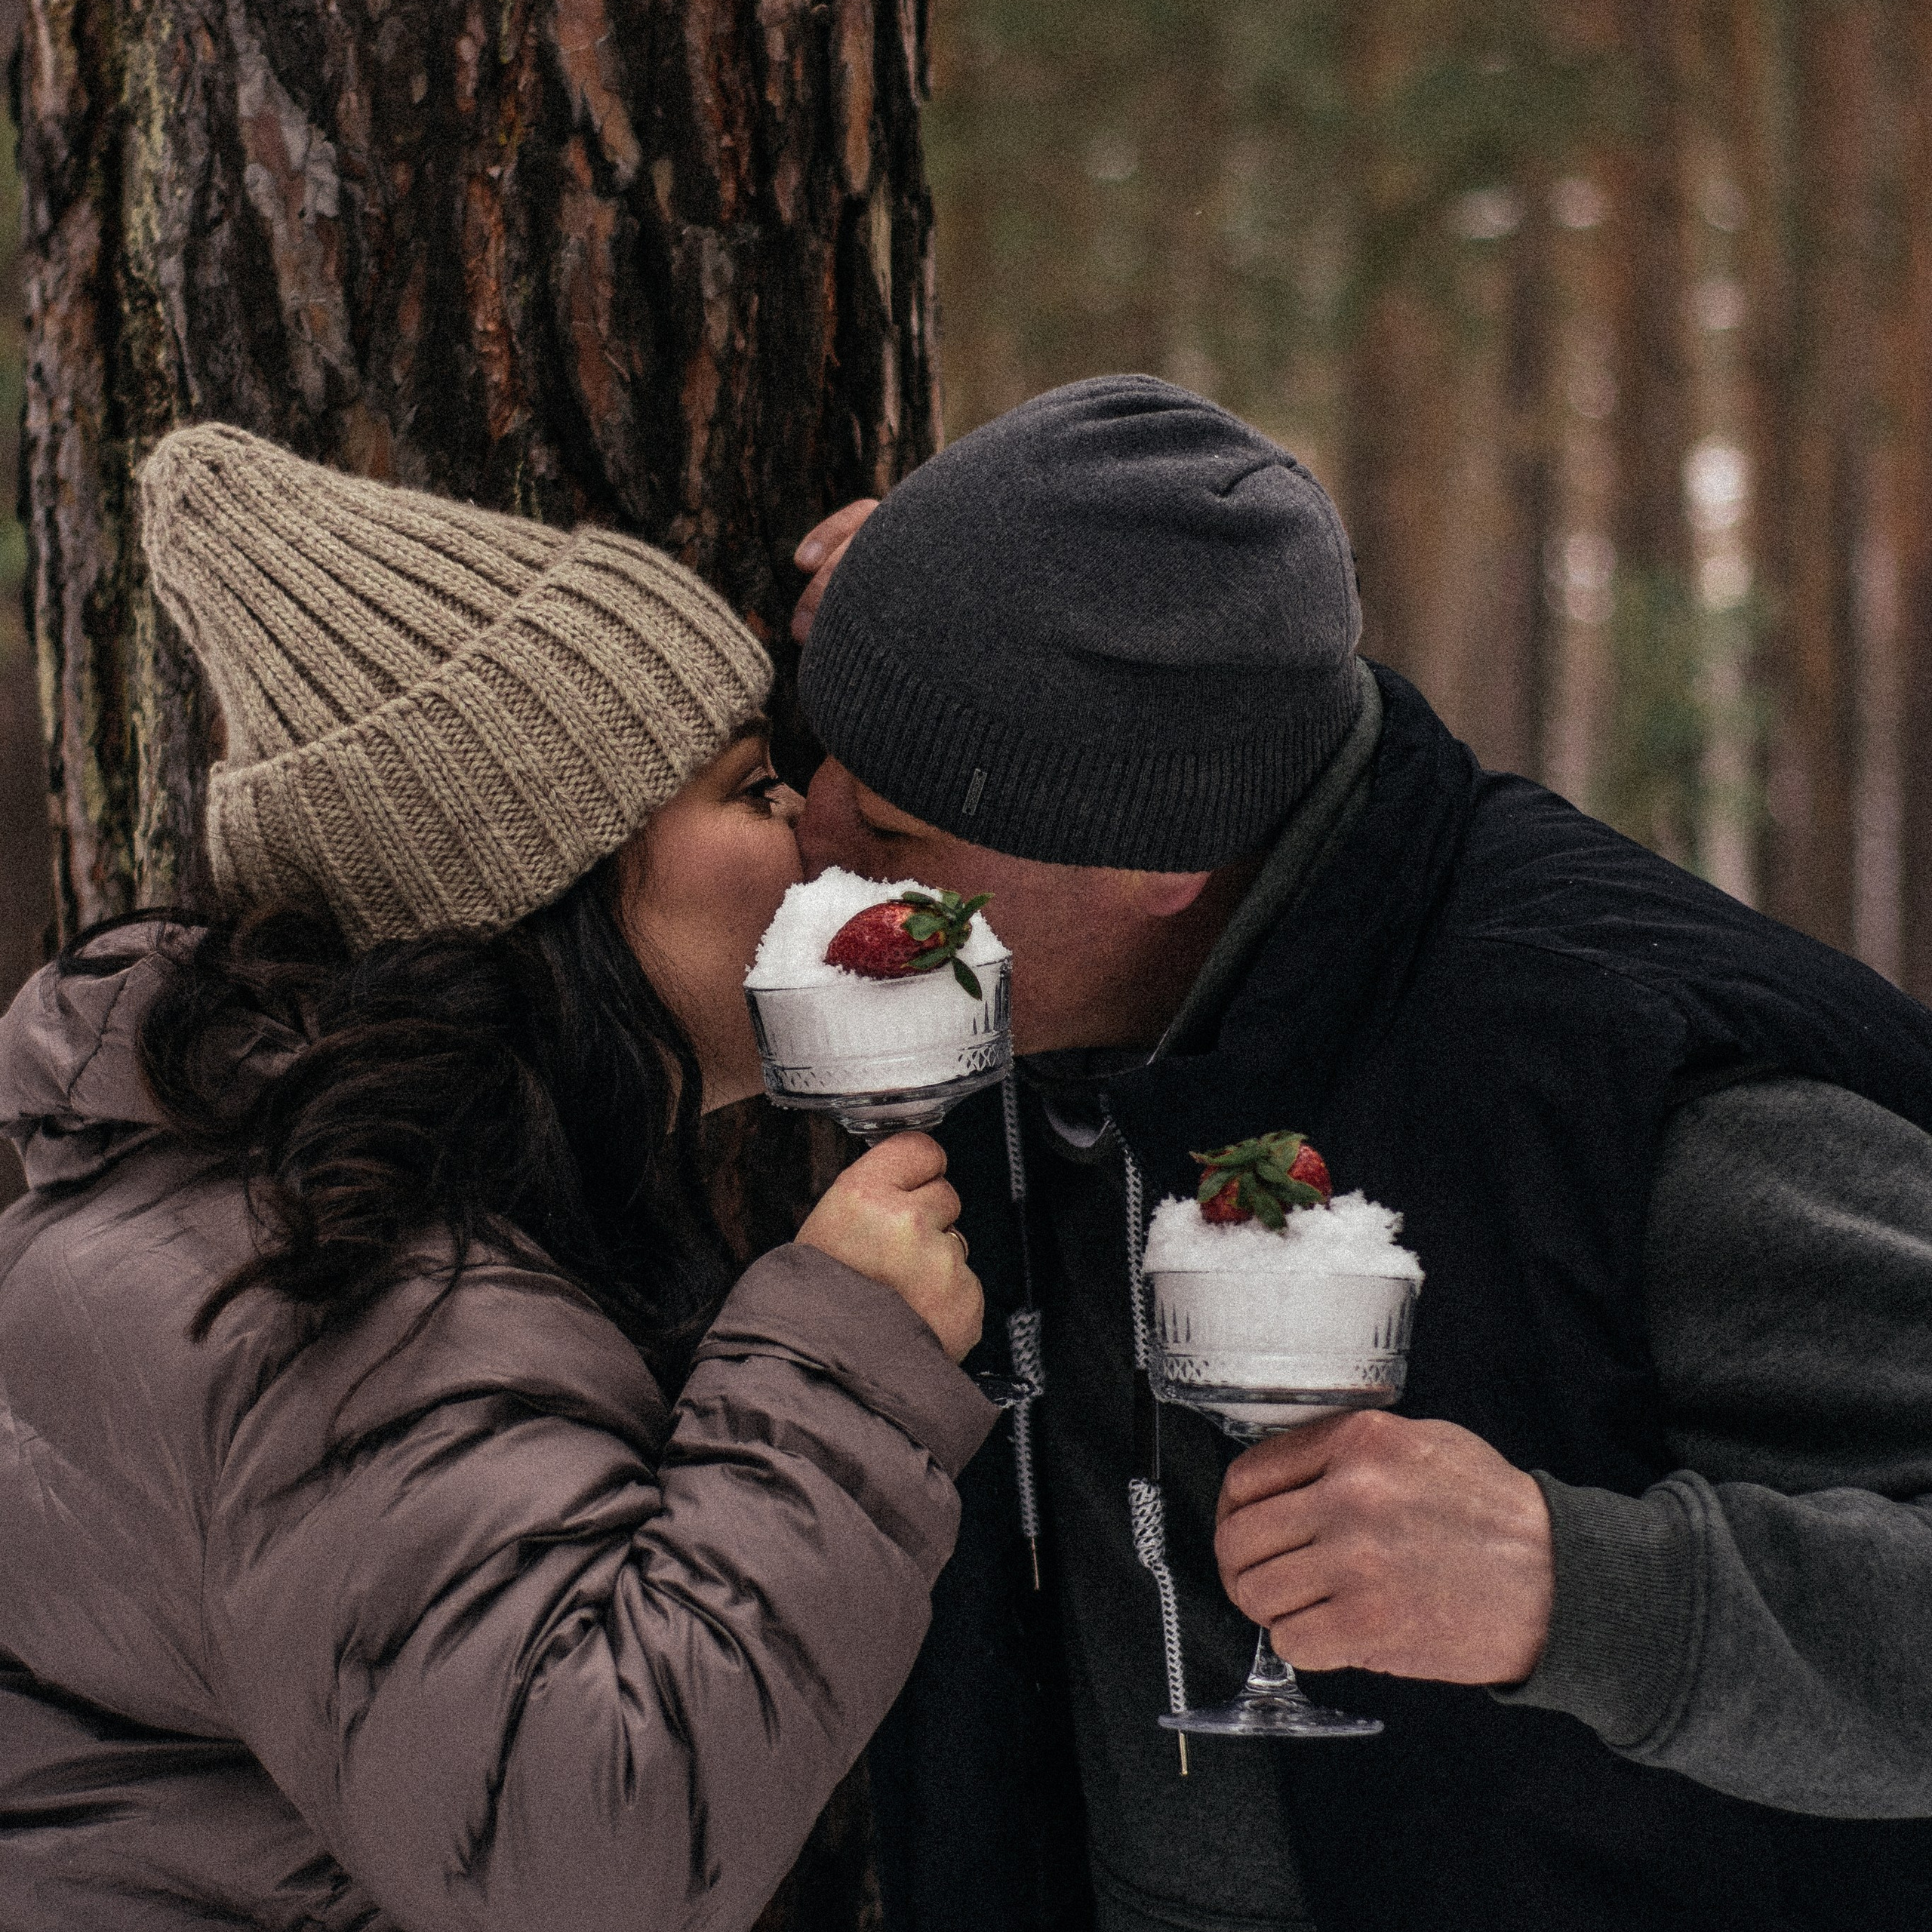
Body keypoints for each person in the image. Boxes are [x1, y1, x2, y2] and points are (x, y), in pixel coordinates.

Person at [784, 376, 1932, 1932]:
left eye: (892, 827)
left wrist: (1577, 1587)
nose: (808, 834)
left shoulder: (1640, 1094)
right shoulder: (1071, 864)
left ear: (1151, 860)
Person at [0, 425, 991, 1931]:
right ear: (545, 878)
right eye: (746, 786)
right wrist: (843, 1369)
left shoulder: (241, 1198)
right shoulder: (348, 1302)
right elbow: (591, 1853)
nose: (807, 825)